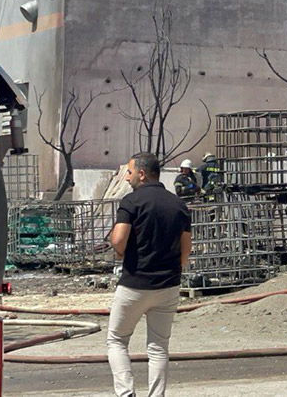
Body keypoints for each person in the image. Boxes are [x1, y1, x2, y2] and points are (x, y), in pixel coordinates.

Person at [108, 152, 192, 397]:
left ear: (142, 174)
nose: (127, 177)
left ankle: (126, 394)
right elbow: (185, 249)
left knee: (117, 340)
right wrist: (175, 271)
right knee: (158, 347)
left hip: (135, 283)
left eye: (130, 172)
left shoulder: (131, 202)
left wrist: (121, 252)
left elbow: (118, 239)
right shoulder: (179, 205)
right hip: (167, 286)